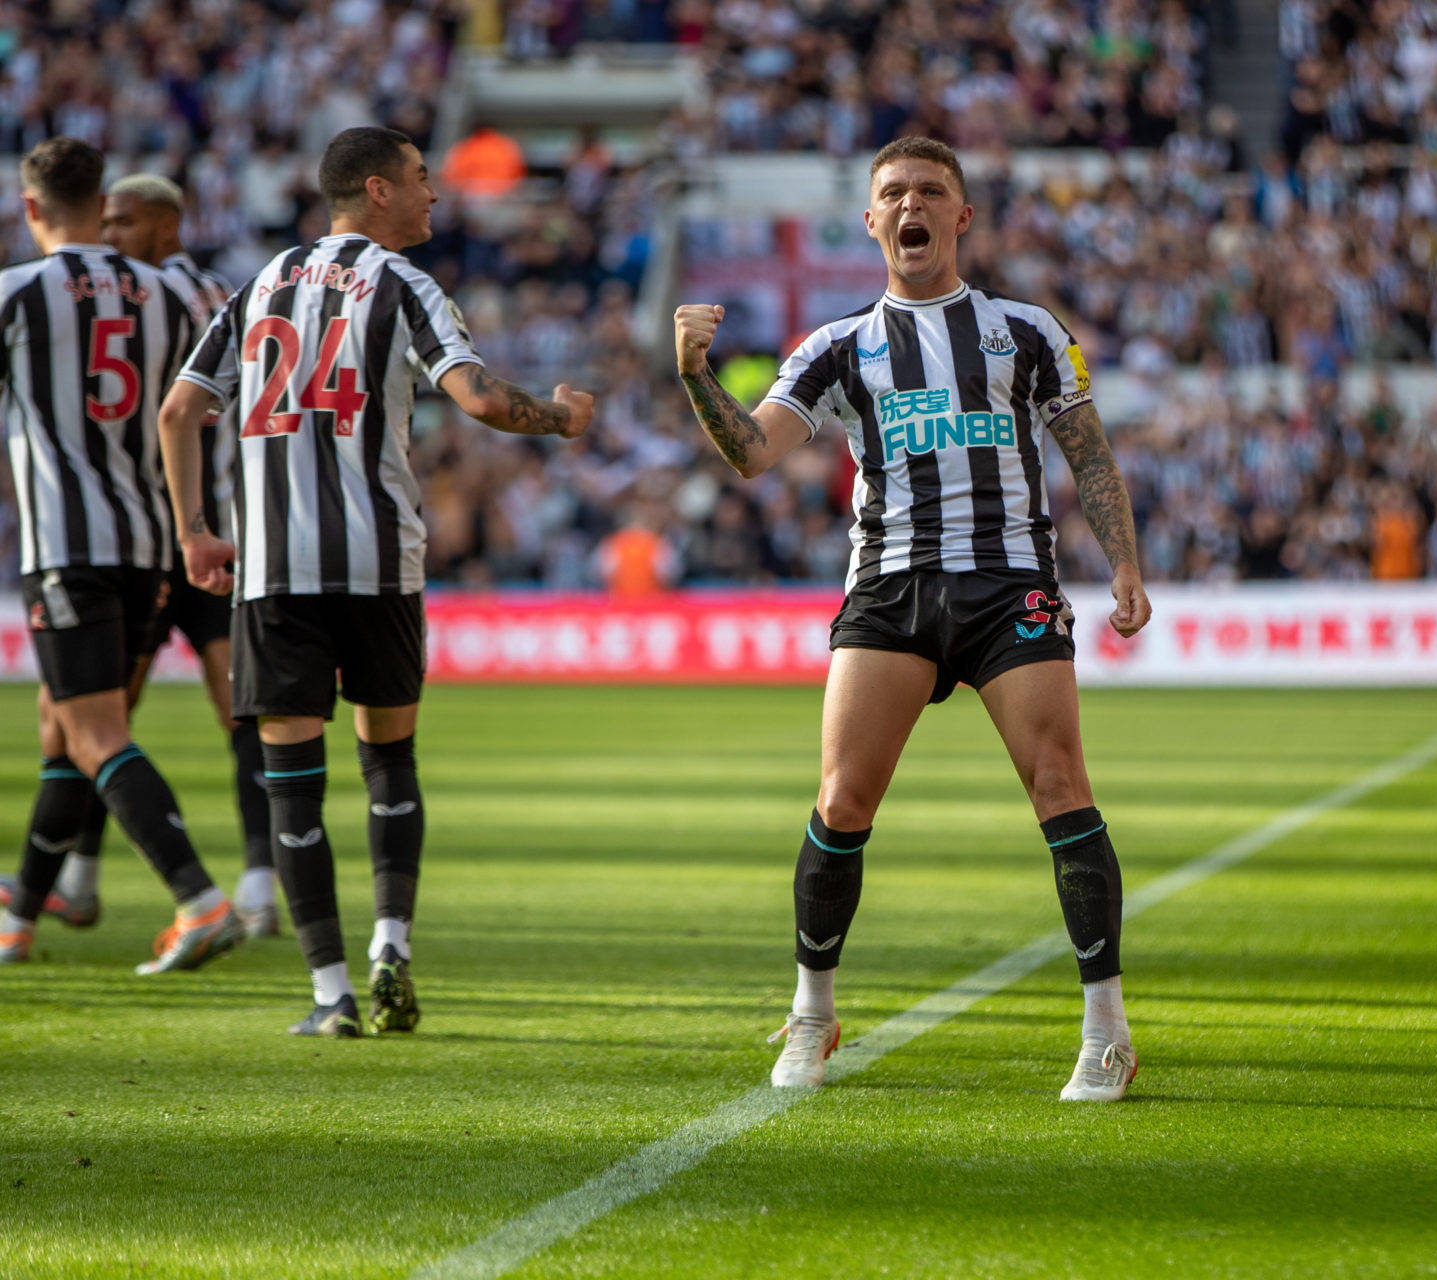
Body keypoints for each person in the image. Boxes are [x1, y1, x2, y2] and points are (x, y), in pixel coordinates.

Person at [674, 136, 1152, 1102]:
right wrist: (694, 374)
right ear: (871, 221)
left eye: (931, 190)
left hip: (1008, 580)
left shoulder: (1025, 331)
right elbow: (752, 454)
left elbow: (1089, 454)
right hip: (891, 590)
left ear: (961, 217)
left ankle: (1108, 1028)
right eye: (892, 193)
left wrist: (1126, 567)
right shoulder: (837, 347)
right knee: (842, 801)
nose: (911, 205)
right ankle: (812, 1012)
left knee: (1060, 785)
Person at [158, 126, 595, 1036]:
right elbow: (475, 398)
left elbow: (179, 410)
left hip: (273, 570)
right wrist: (555, 417)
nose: (436, 195)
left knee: (293, 784)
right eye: (423, 180)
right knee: (388, 759)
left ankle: (329, 996)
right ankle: (390, 941)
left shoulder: (259, 284)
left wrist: (196, 531)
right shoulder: (403, 285)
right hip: (377, 563)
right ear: (376, 190)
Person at [0, 138, 242, 971]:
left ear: (31, 209)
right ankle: (21, 918)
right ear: (101, 203)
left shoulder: (16, 294)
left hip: (65, 543)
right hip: (151, 545)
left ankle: (199, 899)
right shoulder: (170, 295)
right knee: (65, 726)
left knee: (94, 731)